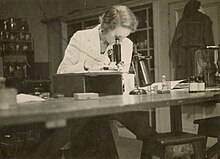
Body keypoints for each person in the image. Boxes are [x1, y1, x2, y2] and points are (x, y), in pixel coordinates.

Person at [56, 5, 157, 159]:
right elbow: (62, 70)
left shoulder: (127, 44)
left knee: (147, 132)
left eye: (125, 36)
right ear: (105, 27)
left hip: (112, 98)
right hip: (84, 98)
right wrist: (85, 65)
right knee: (95, 127)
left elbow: (122, 74)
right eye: (117, 37)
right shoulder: (80, 37)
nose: (121, 41)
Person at [169, 0, 215, 80]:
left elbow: (175, 43)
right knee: (200, 82)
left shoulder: (182, 21)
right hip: (200, 56)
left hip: (184, 57)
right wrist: (211, 60)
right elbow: (209, 42)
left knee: (184, 83)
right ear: (199, 8)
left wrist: (177, 60)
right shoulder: (205, 19)